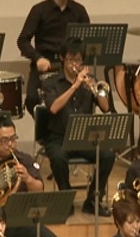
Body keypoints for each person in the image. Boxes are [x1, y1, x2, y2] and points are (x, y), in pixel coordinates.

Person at [43, 37, 116, 216]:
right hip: (59, 137)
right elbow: (53, 108)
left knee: (108, 155)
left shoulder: (89, 81)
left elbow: (106, 108)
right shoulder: (51, 82)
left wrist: (95, 89)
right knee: (57, 158)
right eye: (71, 59)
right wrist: (75, 86)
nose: (75, 64)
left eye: (79, 60)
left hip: (85, 138)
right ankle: (66, 199)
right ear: (62, 58)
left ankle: (92, 200)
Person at [17, 0, 90, 116]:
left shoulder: (79, 11)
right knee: (32, 99)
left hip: (70, 64)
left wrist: (81, 63)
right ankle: (47, 127)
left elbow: (88, 41)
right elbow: (22, 40)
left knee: (86, 96)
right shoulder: (39, 10)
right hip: (46, 63)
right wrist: (38, 58)